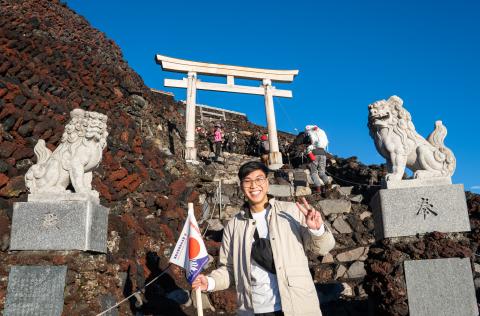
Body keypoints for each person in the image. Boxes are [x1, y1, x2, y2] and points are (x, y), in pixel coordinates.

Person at [192, 161, 335, 316]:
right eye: (247, 181)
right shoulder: (233, 226)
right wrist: (211, 282)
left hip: (297, 305)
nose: (254, 185)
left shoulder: (292, 212)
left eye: (259, 179)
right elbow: (229, 269)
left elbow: (323, 248)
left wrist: (317, 230)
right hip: (254, 310)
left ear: (267, 182)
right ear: (241, 186)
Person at [304, 125, 331, 193]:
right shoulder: (322, 132)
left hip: (314, 153)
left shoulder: (311, 132)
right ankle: (328, 185)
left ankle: (318, 189)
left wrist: (308, 152)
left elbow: (311, 145)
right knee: (322, 172)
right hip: (323, 153)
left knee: (314, 173)